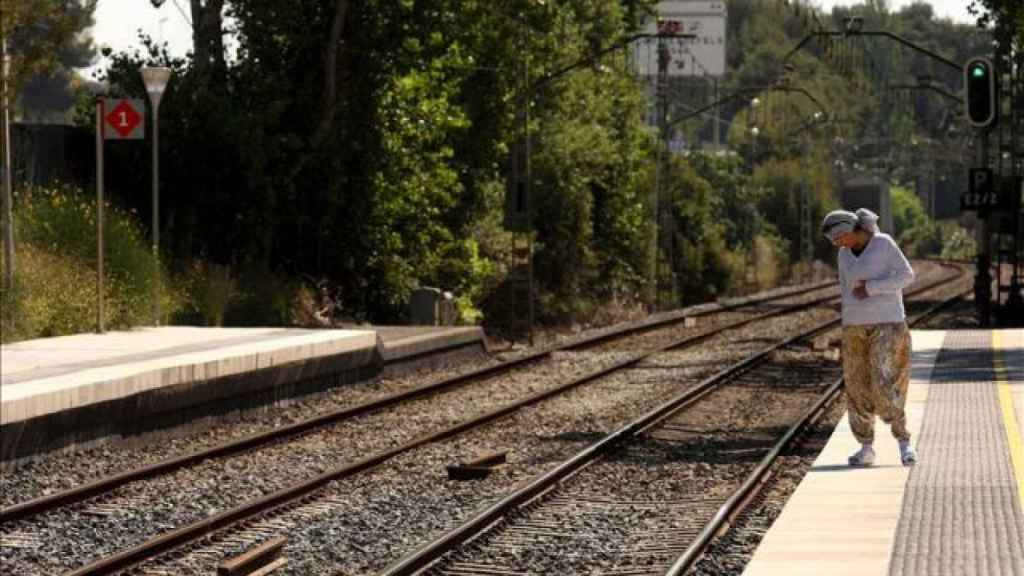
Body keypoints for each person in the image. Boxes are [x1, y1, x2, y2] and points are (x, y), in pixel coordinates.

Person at [821, 208, 917, 467]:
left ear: (849, 230)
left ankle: (904, 442)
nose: (837, 244)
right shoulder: (844, 255)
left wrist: (872, 288)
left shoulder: (883, 244)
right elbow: (845, 287)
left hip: (887, 322)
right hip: (853, 326)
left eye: (838, 238)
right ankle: (866, 448)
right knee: (856, 386)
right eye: (834, 241)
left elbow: (907, 275)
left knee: (885, 382)